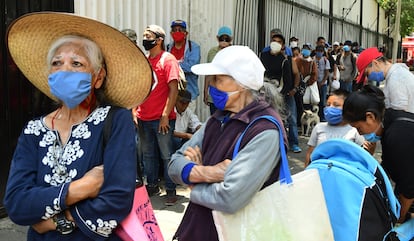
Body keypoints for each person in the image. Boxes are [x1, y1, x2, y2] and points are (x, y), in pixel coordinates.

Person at [4, 12, 153, 240]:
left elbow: (116, 201)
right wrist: (81, 188)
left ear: (98, 77)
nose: (65, 70)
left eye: (76, 63)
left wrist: (56, 221)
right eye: (57, 63)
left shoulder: (115, 120)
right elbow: (16, 204)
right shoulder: (33, 130)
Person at [168, 45, 287, 241]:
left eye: (218, 79)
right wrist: (210, 172)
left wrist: (193, 184)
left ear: (242, 84)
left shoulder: (265, 130)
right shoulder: (217, 118)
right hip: (197, 228)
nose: (211, 85)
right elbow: (174, 165)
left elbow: (230, 197)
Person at [349, 48, 414, 223]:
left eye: (368, 72)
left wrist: (399, 218)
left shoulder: (397, 80)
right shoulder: (395, 77)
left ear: (376, 62)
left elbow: (398, 120)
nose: (369, 78)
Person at [135, 24, 180, 205]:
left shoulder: (167, 60)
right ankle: (152, 185)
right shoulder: (145, 61)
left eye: (148, 36)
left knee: (166, 154)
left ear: (159, 40)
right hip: (143, 116)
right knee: (148, 155)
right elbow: (138, 89)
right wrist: (134, 111)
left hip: (162, 119)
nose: (145, 39)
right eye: (144, 35)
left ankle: (170, 189)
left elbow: (173, 88)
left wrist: (165, 115)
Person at [260, 28, 301, 153]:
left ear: (283, 46)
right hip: (267, 93)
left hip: (284, 93)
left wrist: (293, 89)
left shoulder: (286, 60)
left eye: (278, 41)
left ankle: (293, 143)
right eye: (273, 40)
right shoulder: (263, 56)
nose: (275, 43)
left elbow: (291, 78)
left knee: (291, 119)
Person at [304, 89, 366, 167]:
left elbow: (362, 157)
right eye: (328, 105)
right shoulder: (319, 127)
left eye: (336, 105)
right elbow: (310, 153)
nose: (330, 108)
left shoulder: (355, 130)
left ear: (348, 108)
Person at [167, 20, 201, 111]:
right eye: (175, 30)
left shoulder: (194, 48)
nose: (177, 32)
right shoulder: (168, 48)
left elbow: (192, 67)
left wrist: (173, 65)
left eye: (180, 30)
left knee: (188, 122)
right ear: (171, 33)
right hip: (172, 95)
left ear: (186, 33)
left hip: (189, 94)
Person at [204, 26, 233, 115]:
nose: (224, 41)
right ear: (217, 38)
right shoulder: (212, 52)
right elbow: (208, 72)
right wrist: (205, 91)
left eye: (226, 39)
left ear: (231, 39)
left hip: (229, 93)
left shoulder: (234, 52)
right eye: (222, 38)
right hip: (214, 93)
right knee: (215, 120)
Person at [314, 45, 331, 120]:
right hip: (314, 83)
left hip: (323, 83)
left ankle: (322, 117)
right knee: (314, 100)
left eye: (321, 51)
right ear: (315, 51)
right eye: (318, 51)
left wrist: (323, 81)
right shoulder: (312, 60)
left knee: (323, 101)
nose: (319, 53)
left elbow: (327, 72)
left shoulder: (325, 61)